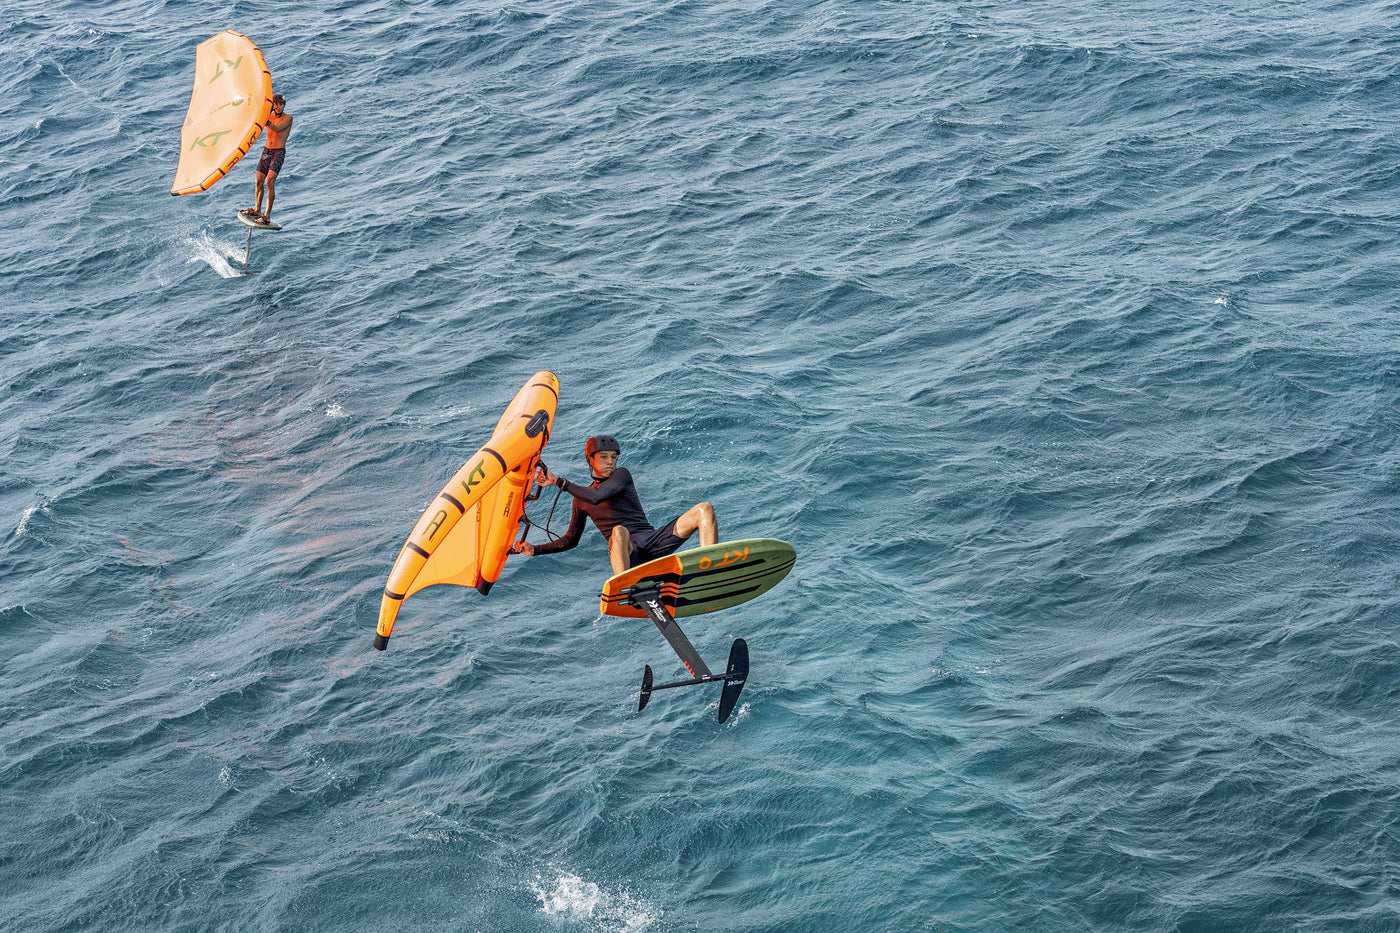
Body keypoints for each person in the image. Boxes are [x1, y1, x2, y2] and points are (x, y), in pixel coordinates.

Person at [513, 435, 717, 575]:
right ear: (590, 460)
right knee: (619, 531)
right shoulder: (580, 500)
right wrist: (535, 549)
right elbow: (570, 540)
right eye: (604, 457)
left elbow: (597, 496)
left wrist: (560, 482)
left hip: (652, 541)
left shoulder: (622, 475)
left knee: (704, 509)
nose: (610, 462)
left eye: (613, 457)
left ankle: (711, 570)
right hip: (628, 552)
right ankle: (625, 584)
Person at [241, 93, 292, 226]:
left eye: (282, 104)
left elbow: (277, 129)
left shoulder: (288, 118)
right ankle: (257, 209)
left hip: (278, 152)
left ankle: (267, 215)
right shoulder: (268, 115)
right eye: (277, 104)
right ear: (273, 105)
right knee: (258, 182)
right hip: (266, 151)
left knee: (269, 182)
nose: (280, 107)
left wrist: (266, 120)